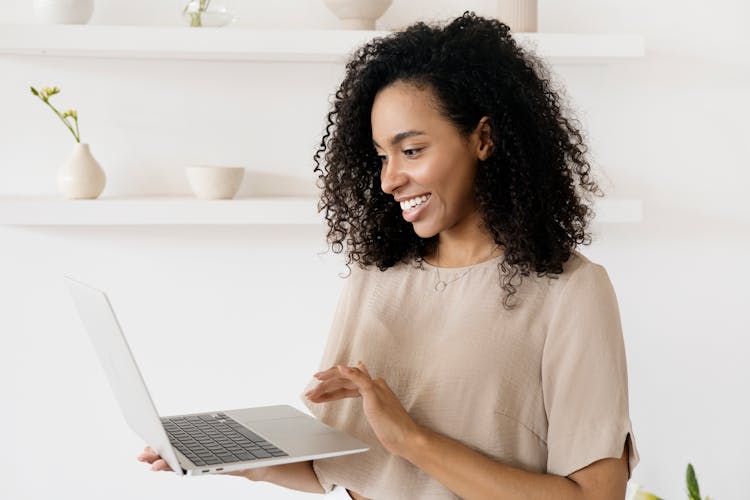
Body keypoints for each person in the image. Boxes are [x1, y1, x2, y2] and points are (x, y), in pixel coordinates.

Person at [139, 10, 640, 499]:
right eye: (382, 156)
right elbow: (343, 467)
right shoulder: (376, 278)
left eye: (413, 150)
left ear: (483, 138)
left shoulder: (569, 291)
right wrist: (243, 460)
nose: (390, 178)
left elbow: (597, 495)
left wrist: (412, 440)